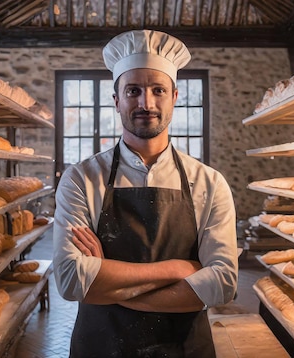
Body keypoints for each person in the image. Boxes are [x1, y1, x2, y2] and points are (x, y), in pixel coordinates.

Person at [52, 29, 238, 358]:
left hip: (185, 349)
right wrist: (180, 268)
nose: (146, 103)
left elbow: (222, 282)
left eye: (157, 90)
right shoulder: (81, 179)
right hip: (101, 348)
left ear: (175, 96)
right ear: (117, 99)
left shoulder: (209, 183)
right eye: (133, 90)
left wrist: (107, 283)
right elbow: (70, 280)